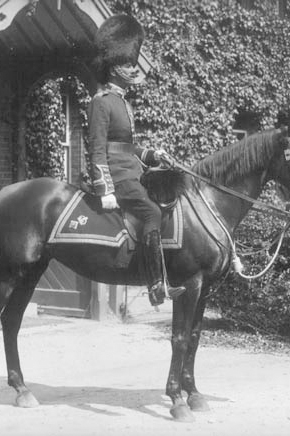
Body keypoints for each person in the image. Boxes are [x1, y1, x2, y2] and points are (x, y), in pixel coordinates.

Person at [87, 14, 184, 306]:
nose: (133, 68)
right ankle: (156, 285)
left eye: (133, 62)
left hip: (132, 172)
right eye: (128, 63)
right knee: (153, 213)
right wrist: (104, 189)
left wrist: (153, 154)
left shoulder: (122, 102)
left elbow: (126, 147)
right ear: (113, 67)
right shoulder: (101, 102)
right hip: (118, 178)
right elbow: (97, 148)